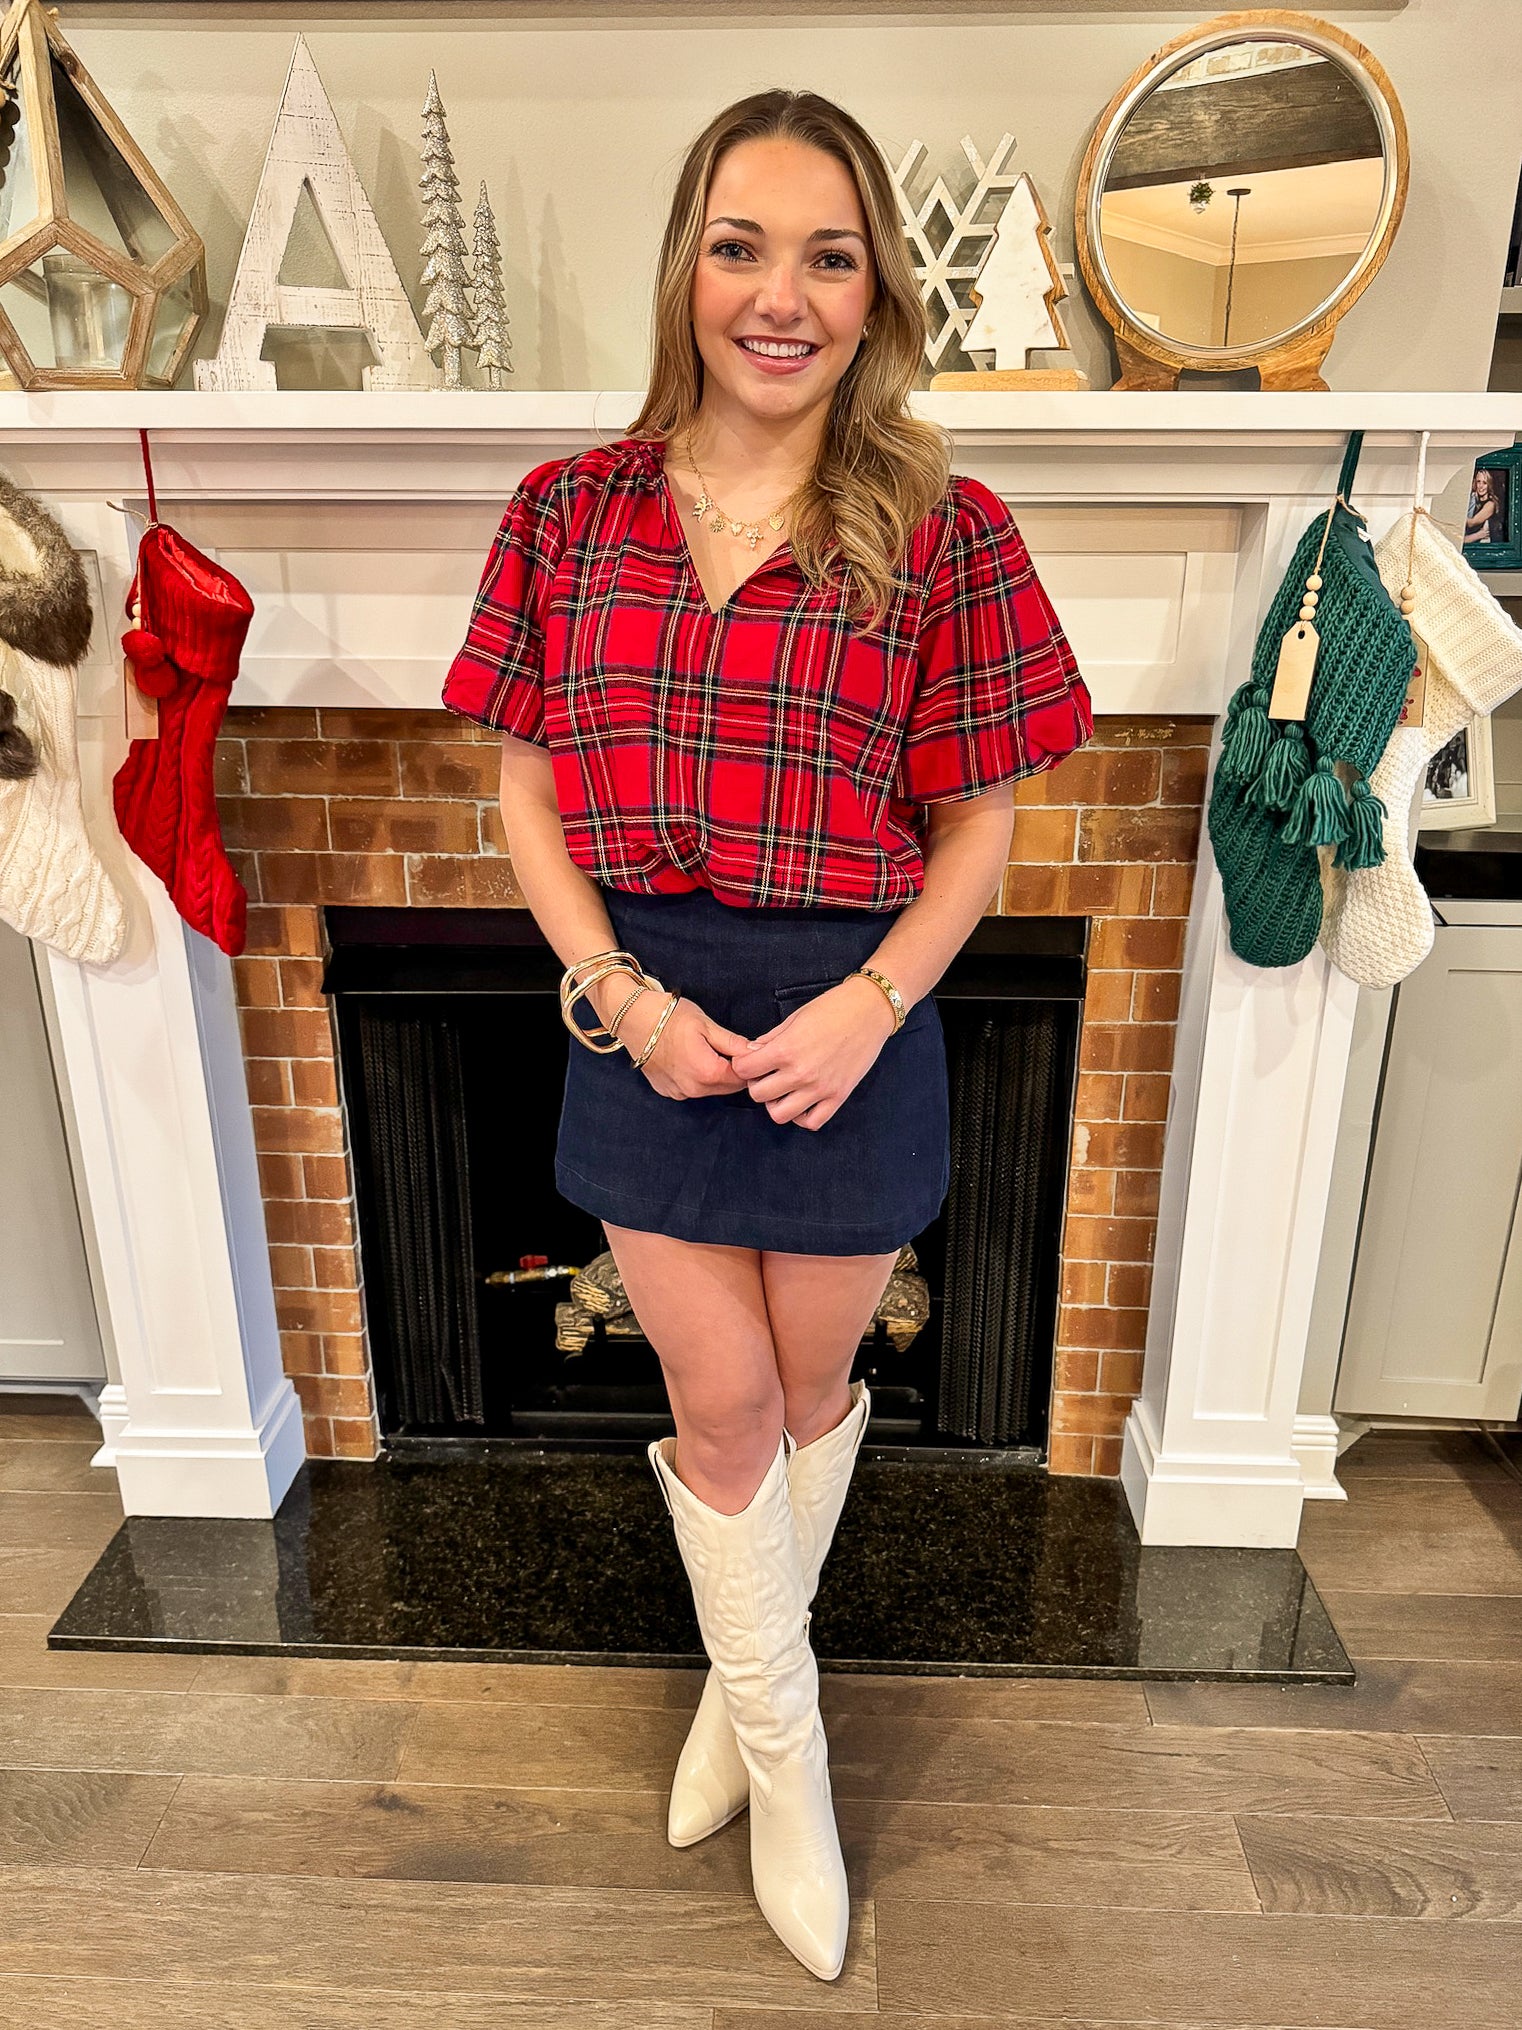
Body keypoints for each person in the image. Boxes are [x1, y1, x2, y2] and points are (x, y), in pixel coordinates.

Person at [441, 88, 1091, 1982]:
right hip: (644, 1010)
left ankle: (742, 1693)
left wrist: (871, 1004)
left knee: (806, 1403)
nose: (778, 296)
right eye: (740, 247)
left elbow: (978, 829)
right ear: (687, 266)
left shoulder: (946, 529)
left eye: (827, 256)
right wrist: (618, 995)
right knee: (717, 1405)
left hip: (850, 1015)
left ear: (875, 290)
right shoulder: (567, 512)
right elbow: (525, 791)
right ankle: (789, 1763)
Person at [1466, 466, 1504, 548]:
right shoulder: (1474, 501)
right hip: (1471, 543)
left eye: (1484, 483)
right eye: (1478, 482)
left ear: (1489, 485)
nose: (1481, 486)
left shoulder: (1490, 504)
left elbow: (1472, 523)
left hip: (1484, 547)